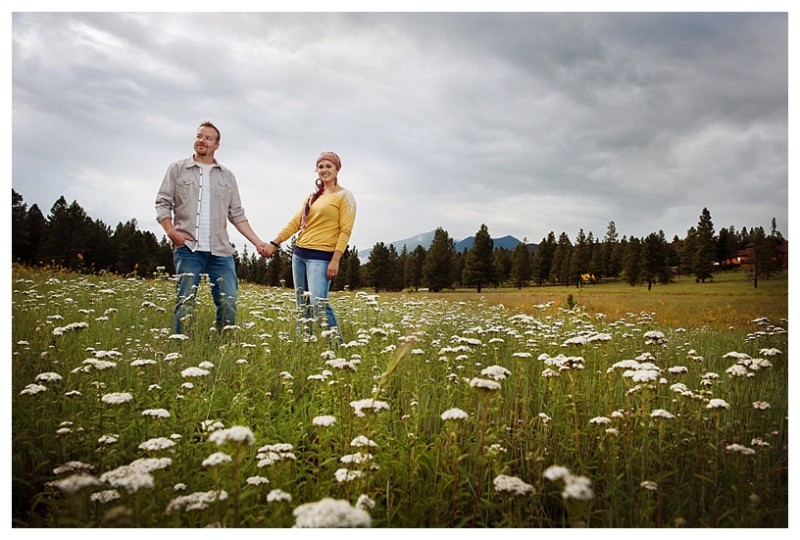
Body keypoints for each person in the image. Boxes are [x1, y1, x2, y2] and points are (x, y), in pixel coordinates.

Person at [155, 121, 268, 334]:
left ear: (217, 144)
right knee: (185, 303)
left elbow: (237, 215)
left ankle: (223, 346)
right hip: (188, 249)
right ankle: (183, 349)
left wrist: (258, 242)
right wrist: (170, 231)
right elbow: (162, 202)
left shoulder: (227, 176)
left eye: (208, 138)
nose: (202, 141)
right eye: (199, 136)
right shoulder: (177, 169)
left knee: (228, 302)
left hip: (221, 252)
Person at [261, 151, 356, 342]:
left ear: (337, 169)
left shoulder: (345, 196)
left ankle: (338, 347)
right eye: (321, 167)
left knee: (318, 303)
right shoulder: (313, 196)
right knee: (302, 304)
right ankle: (303, 342)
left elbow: (345, 230)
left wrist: (335, 260)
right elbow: (295, 222)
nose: (324, 170)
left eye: (329, 166)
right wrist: (274, 243)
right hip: (300, 254)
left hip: (322, 257)